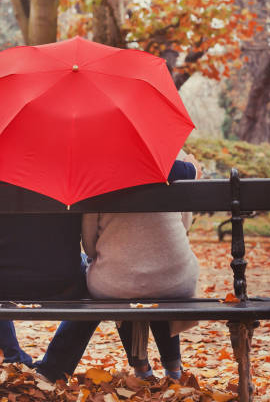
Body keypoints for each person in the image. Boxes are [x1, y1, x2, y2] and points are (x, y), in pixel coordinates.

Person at [0, 154, 98, 381]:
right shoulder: (70, 154)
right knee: (96, 286)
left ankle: (11, 359)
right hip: (59, 280)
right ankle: (54, 369)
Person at [81, 151, 202, 380]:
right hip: (175, 280)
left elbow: (89, 244)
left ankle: (141, 368)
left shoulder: (96, 170)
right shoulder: (174, 162)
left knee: (122, 278)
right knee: (160, 279)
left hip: (114, 284)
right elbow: (184, 226)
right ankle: (174, 368)